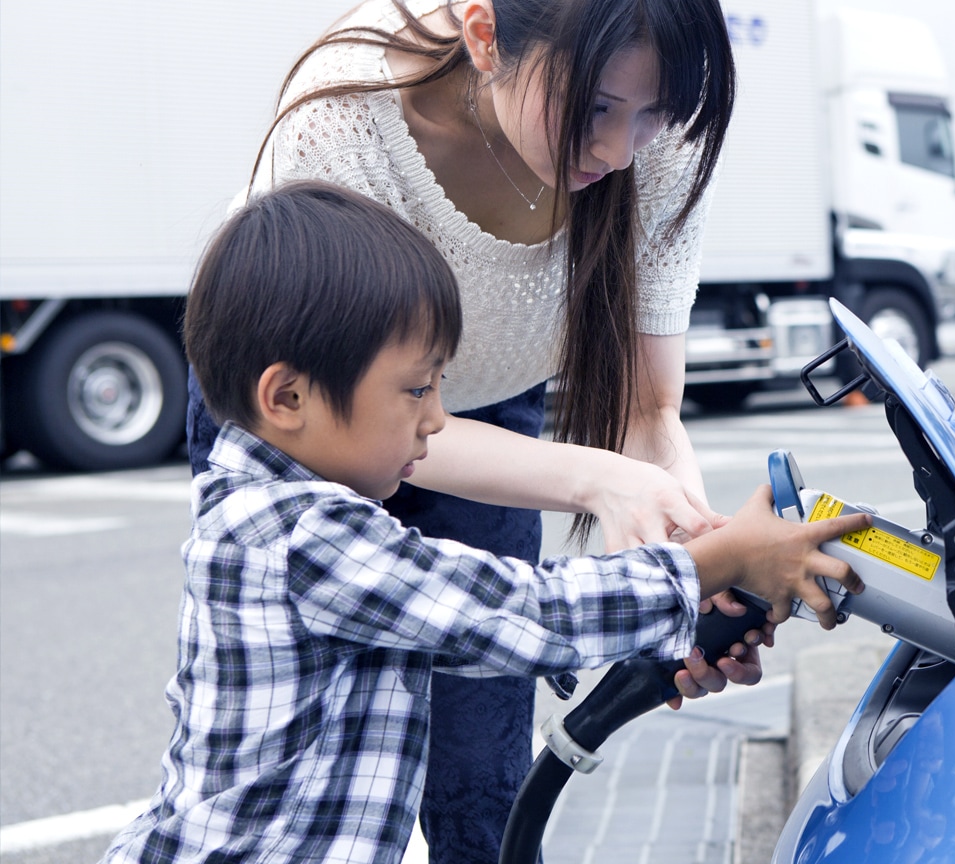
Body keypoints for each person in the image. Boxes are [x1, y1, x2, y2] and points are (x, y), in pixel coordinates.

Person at [108, 182, 869, 864]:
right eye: (416, 389)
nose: (438, 419)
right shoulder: (303, 537)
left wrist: (671, 615)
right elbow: (515, 612)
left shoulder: (274, 514)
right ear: (289, 399)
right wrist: (724, 558)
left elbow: (474, 631)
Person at [182, 2, 750, 858]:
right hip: (318, 417)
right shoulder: (348, 111)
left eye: (653, 115)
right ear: (485, 36)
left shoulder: (649, 133)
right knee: (307, 757)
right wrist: (625, 509)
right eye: (595, 108)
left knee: (480, 771)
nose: (618, 151)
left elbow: (647, 411)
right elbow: (531, 605)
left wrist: (693, 578)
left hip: (497, 423)